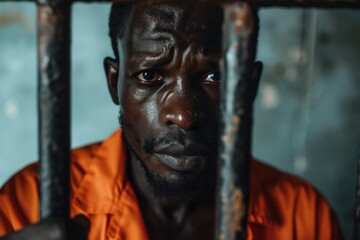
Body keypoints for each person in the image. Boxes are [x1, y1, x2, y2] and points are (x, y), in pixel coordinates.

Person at [0, 2, 343, 240]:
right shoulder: (29, 204)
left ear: (248, 87)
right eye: (150, 75)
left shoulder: (303, 216)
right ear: (114, 82)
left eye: (213, 76)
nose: (183, 114)